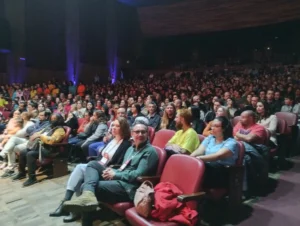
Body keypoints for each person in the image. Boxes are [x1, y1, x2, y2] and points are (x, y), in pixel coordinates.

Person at [63, 122, 159, 226]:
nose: (140, 134)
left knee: (86, 187)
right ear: (132, 133)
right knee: (93, 164)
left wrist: (115, 174)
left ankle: (87, 221)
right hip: (120, 179)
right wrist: (112, 171)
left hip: (129, 187)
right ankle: (88, 196)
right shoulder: (131, 148)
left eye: (143, 132)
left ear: (147, 135)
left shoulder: (149, 152)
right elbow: (123, 167)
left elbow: (137, 175)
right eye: (137, 132)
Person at [49, 117, 131, 223]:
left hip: (107, 170)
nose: (114, 127)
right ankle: (77, 207)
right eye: (113, 125)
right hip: (98, 165)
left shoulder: (126, 144)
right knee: (81, 173)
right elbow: (101, 156)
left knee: (80, 168)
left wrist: (101, 166)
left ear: (123, 128)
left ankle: (68, 205)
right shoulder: (111, 140)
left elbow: (120, 164)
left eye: (117, 126)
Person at [11, 113, 66, 187]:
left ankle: (32, 178)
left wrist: (40, 136)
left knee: (30, 154)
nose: (52, 120)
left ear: (59, 120)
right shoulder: (49, 127)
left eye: (54, 119)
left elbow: (52, 140)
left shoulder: (60, 130)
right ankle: (22, 173)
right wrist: (35, 135)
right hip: (42, 147)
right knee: (23, 152)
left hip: (50, 150)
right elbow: (40, 132)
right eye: (52, 119)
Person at [191, 116, 238, 187]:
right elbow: (199, 151)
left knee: (201, 168)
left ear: (224, 128)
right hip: (208, 168)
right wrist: (190, 158)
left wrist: (198, 159)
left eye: (216, 126)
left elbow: (217, 156)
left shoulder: (231, 142)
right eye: (212, 126)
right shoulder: (210, 138)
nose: (212, 128)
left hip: (222, 172)